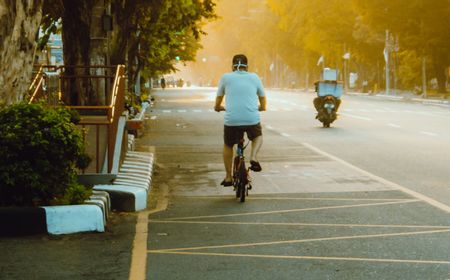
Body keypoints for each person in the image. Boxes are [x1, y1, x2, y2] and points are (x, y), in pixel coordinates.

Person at [214, 54, 266, 187]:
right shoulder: (254, 77)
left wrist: (217, 107)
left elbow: (219, 97)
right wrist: (262, 108)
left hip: (232, 121)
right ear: (247, 66)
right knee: (257, 136)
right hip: (251, 119)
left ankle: (228, 177)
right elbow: (262, 97)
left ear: (232, 66)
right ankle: (253, 157)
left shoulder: (226, 77)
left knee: (228, 145)